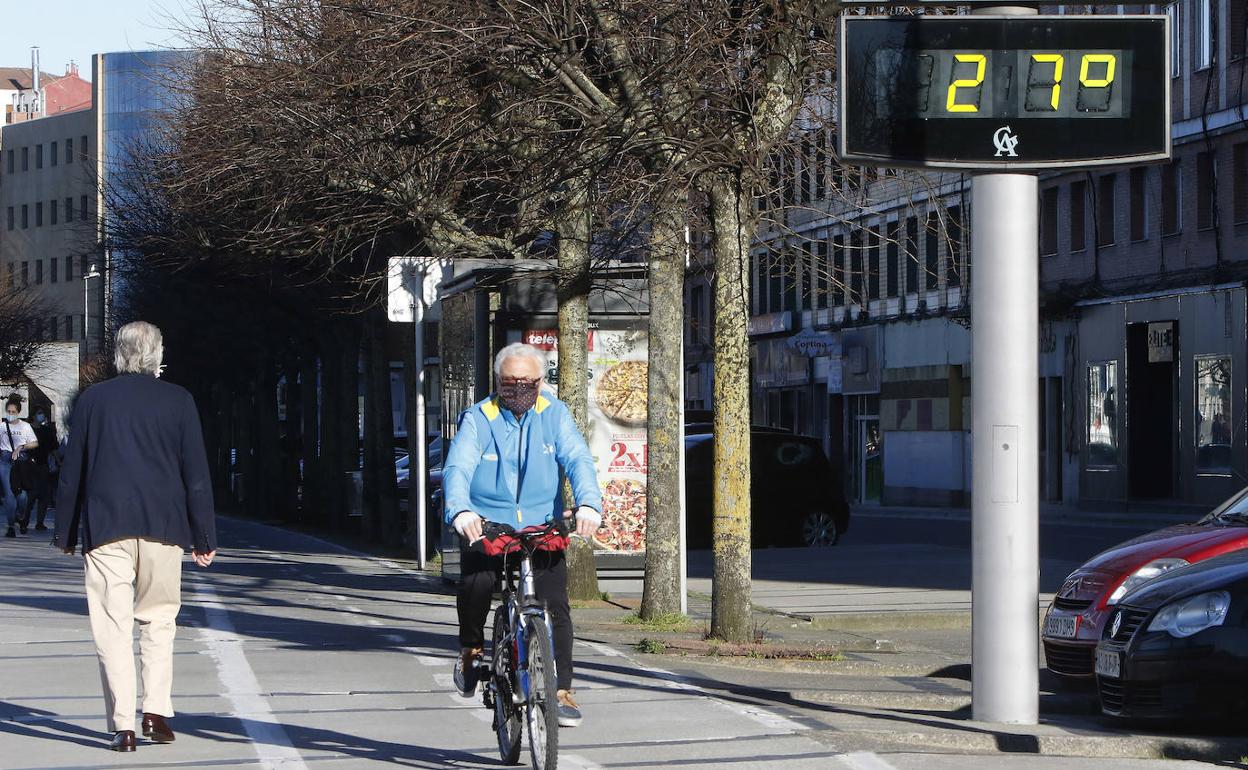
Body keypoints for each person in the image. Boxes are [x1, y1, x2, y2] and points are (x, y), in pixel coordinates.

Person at [53, 321, 217, 753]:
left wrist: (65, 531)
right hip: (164, 527)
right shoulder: (179, 400)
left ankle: (122, 724)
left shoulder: (93, 400)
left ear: (118, 355)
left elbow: (75, 469)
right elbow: (195, 473)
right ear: (157, 354)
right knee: (160, 620)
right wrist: (203, 535)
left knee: (112, 626)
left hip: (106, 526)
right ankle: (156, 712)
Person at [443, 342, 602, 728]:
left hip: (539, 526)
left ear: (541, 381)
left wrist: (589, 504)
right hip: (486, 524)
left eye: (526, 382)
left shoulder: (555, 414)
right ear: (498, 381)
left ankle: (562, 689)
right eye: (509, 382)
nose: (517, 389)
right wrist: (461, 511)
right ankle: (471, 648)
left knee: (555, 605)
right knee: (476, 585)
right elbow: (458, 468)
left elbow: (577, 458)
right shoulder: (479, 417)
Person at [1, 396, 38, 538]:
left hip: (21, 461)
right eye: (8, 411)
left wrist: (21, 446)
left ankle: (21, 515)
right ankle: (11, 526)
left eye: (13, 411)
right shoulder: (2, 427)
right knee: (9, 495)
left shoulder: (25, 426)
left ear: (18, 412)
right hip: (5, 461)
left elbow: (34, 443)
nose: (10, 414)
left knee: (22, 495)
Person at [27, 408, 59, 531]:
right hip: (28, 466)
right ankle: (25, 518)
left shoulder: (47, 431)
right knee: (32, 493)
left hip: (43, 465)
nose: (42, 416)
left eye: (42, 413)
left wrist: (59, 462)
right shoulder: (26, 429)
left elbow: (54, 448)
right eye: (39, 413)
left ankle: (40, 522)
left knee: (44, 495)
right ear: (33, 415)